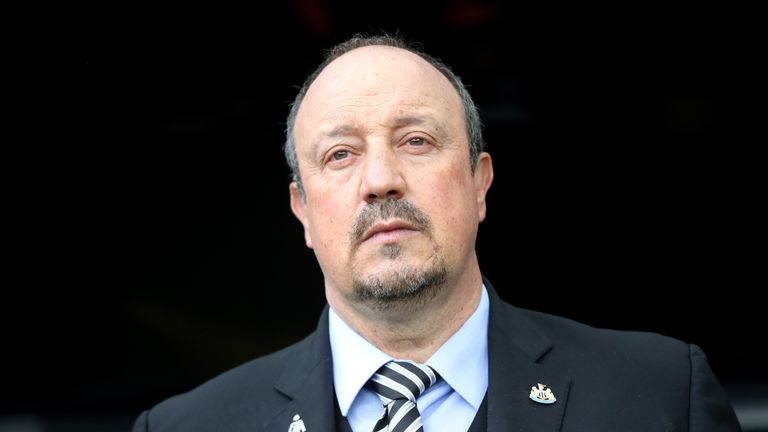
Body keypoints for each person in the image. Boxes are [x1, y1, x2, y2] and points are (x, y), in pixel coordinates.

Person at [132, 34, 741, 432]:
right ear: (303, 212)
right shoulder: (187, 426)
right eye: (340, 154)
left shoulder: (661, 396)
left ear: (480, 182)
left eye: (416, 141)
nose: (380, 180)